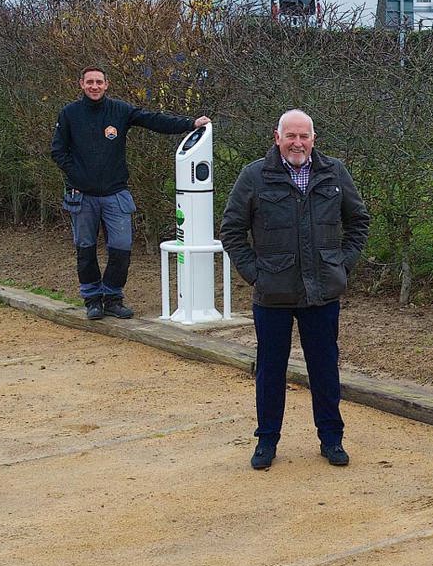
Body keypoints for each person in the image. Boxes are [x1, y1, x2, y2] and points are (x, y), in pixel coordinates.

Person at [220, 109, 370, 470]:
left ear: (314, 139)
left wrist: (340, 265)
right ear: (277, 138)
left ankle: (331, 439)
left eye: (304, 136)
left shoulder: (334, 173)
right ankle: (266, 441)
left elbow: (358, 222)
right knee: (270, 370)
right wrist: (256, 274)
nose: (297, 143)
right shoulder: (255, 176)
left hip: (322, 293)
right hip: (272, 294)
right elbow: (232, 230)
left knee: (325, 369)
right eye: (291, 136)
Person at [50, 65, 210, 320]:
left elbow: (153, 120)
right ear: (81, 84)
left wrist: (190, 124)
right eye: (89, 82)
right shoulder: (69, 113)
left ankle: (113, 297)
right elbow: (58, 151)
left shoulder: (120, 110)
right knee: (85, 249)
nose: (94, 86)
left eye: (99, 82)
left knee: (121, 248)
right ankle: (92, 299)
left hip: (115, 194)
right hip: (83, 197)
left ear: (106, 84)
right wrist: (77, 175)